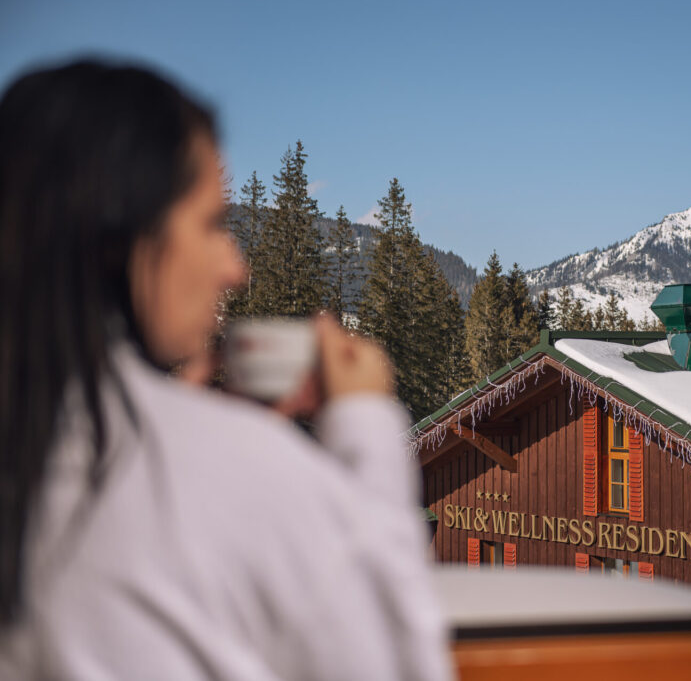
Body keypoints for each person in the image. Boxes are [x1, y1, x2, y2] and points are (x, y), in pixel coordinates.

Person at [0, 59, 451, 680]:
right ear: (120, 237)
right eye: (211, 225)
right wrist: (365, 421)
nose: (234, 268)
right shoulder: (228, 471)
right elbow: (400, 661)